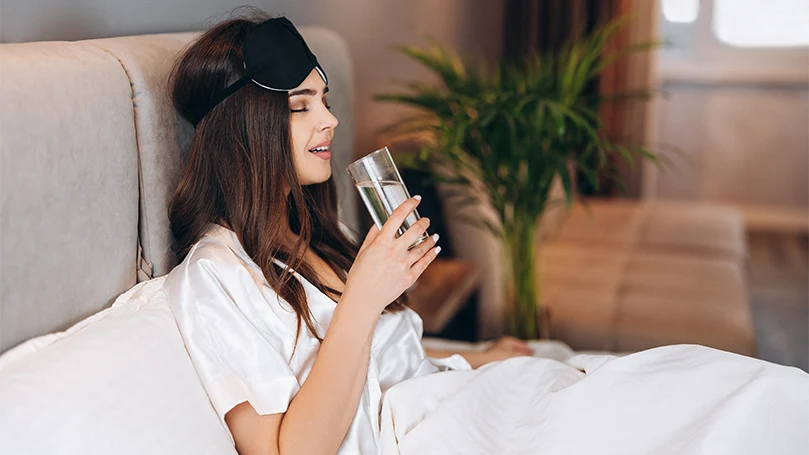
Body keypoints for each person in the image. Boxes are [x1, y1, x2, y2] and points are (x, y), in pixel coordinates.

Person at [162, 12, 532, 455]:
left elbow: (387, 361)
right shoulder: (214, 277)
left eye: (325, 101)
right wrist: (362, 297)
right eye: (301, 106)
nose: (330, 120)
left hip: (462, 407)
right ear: (243, 126)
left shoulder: (318, 231)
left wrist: (482, 359)